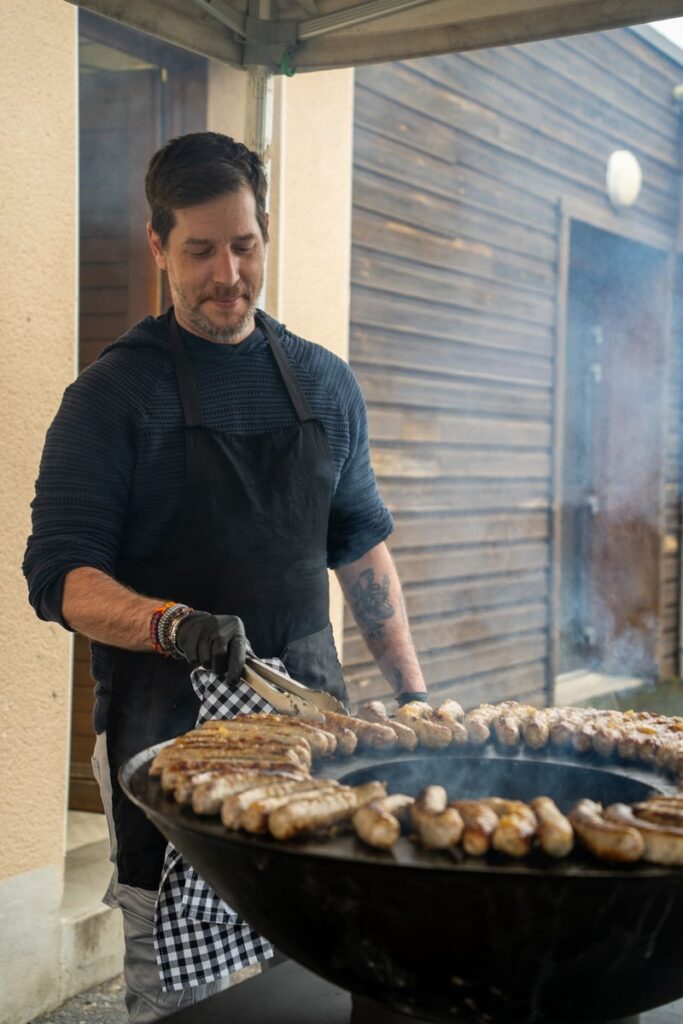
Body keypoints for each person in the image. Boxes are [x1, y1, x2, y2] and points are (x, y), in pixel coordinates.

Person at [23, 131, 427, 1019]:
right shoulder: (111, 399)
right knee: (183, 995)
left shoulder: (324, 384)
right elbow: (59, 576)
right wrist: (172, 623)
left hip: (309, 734)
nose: (226, 275)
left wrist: (411, 696)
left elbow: (360, 548)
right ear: (158, 245)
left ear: (265, 234)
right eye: (200, 250)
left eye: (243, 246)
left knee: (314, 976)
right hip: (166, 740)